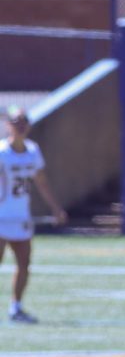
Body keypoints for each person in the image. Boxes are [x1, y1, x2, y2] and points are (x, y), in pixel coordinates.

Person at [0, 106, 67, 324]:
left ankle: (16, 307)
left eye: (23, 121)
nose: (20, 126)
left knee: (24, 264)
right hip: (1, 216)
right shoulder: (2, 152)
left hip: (21, 216)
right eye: (15, 121)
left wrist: (55, 208)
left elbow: (41, 182)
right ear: (8, 124)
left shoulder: (32, 150)